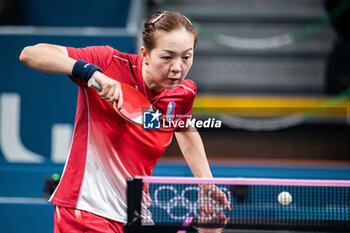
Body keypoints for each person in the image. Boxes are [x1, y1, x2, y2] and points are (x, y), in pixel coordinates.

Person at [19, 10, 231, 233]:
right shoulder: (109, 63)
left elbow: (184, 129)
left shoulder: (183, 93)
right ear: (145, 54)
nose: (177, 67)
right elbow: (30, 54)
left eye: (186, 57)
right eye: (167, 57)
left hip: (135, 215)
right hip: (86, 210)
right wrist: (91, 73)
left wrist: (206, 184)